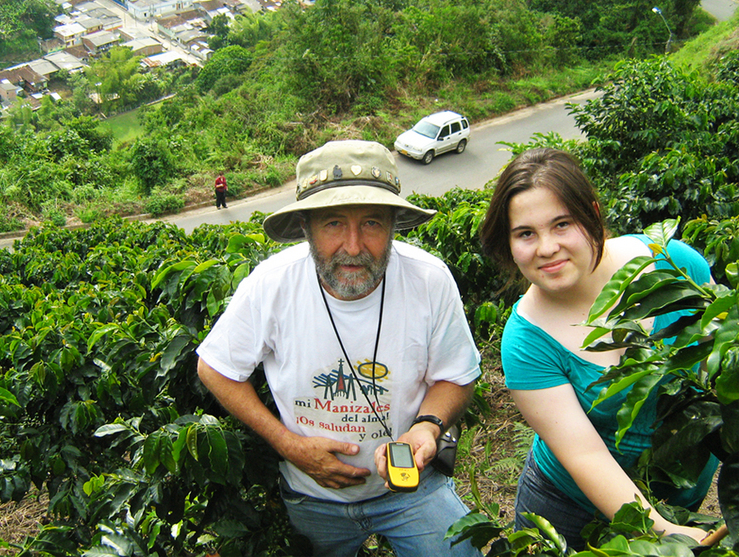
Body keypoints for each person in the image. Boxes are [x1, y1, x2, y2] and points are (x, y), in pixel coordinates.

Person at [196, 140, 483, 557]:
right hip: (312, 497)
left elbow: (456, 375)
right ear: (306, 228)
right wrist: (288, 445)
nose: (352, 246)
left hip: (411, 489)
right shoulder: (272, 284)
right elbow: (215, 367)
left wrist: (426, 427)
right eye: (333, 224)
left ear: (392, 224)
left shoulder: (429, 280)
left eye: (371, 223)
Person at [478, 148, 719, 551]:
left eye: (562, 224)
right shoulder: (526, 341)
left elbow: (721, 361)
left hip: (681, 491)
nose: (547, 247)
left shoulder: (672, 268)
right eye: (526, 233)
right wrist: (663, 531)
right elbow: (586, 456)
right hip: (569, 508)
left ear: (591, 214)